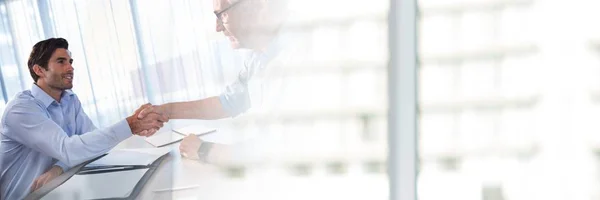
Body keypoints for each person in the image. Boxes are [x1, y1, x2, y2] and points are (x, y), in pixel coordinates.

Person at [0, 38, 167, 200]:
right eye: (61, 62)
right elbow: (69, 150)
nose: (70, 68)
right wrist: (131, 125)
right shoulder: (21, 110)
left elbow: (92, 145)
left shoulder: (69, 99)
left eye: (70, 62)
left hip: (60, 187)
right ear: (39, 70)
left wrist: (59, 168)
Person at [137, 0, 288, 161]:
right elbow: (229, 102)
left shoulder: (299, 58)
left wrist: (205, 150)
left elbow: (282, 150)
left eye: (221, 15)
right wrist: (165, 111)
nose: (218, 28)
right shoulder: (259, 56)